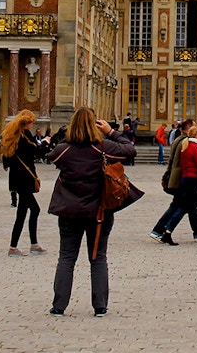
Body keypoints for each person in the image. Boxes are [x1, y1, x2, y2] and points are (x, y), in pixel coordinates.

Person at [47, 107, 136, 317]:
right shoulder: (102, 147)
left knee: (67, 257)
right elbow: (130, 150)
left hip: (69, 211)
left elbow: (50, 155)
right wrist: (112, 132)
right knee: (98, 257)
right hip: (99, 211)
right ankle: (100, 305)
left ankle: (59, 305)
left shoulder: (63, 150)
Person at [156, 123, 197, 245]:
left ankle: (168, 232)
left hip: (186, 179)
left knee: (186, 207)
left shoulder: (186, 145)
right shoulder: (196, 147)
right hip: (193, 181)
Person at [1, 110, 46, 257]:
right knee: (23, 213)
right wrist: (44, 143)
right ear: (27, 123)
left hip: (17, 178)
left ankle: (34, 244)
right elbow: (36, 151)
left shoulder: (12, 137)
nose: (32, 125)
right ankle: (13, 247)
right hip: (25, 178)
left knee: (34, 209)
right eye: (32, 122)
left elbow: (7, 160)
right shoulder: (25, 136)